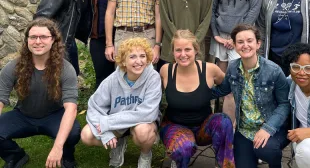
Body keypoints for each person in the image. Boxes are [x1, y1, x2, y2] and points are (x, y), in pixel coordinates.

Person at [0, 18, 80, 168]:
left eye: (43, 37)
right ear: (27, 40)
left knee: (73, 132)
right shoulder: (13, 67)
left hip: (54, 115)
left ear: (53, 40)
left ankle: (66, 157)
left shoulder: (66, 68)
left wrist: (57, 147)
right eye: (33, 37)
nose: (38, 41)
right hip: (23, 115)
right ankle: (15, 156)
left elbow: (71, 108)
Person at [212, 24, 290, 168]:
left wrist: (268, 128)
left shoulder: (273, 71)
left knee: (266, 149)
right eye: (240, 42)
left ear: (258, 43)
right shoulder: (233, 68)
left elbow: (285, 104)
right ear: (234, 45)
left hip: (271, 128)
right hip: (244, 130)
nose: (245, 45)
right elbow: (222, 90)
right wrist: (195, 88)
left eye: (249, 41)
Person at [81, 37, 162, 168]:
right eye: (132, 57)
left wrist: (107, 123)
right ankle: (118, 143)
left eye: (142, 56)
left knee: (143, 132)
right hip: (118, 123)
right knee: (86, 135)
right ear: (123, 61)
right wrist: (105, 133)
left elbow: (147, 114)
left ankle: (146, 154)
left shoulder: (153, 78)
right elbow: (94, 107)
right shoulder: (111, 81)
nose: (139, 61)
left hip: (141, 123)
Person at [159, 30, 234, 168]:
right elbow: (154, 95)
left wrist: (207, 94)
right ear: (173, 52)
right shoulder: (166, 71)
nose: (183, 54)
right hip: (174, 126)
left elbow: (227, 86)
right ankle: (179, 158)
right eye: (178, 50)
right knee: (184, 147)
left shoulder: (210, 70)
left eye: (187, 49)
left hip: (203, 128)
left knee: (224, 122)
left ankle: (224, 165)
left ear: (196, 50)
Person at [211, 0, 263, 121]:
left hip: (239, 39)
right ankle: (224, 125)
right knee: (222, 83)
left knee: (237, 84)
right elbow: (212, 7)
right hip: (221, 38)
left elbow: (254, 8)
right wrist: (216, 35)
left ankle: (237, 127)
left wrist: (238, 37)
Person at [35, 0, 97, 75]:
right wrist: (48, 42)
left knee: (72, 75)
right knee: (55, 78)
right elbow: (40, 19)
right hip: (56, 42)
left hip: (69, 40)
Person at [90, 0, 126, 88]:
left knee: (120, 74)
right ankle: (100, 107)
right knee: (102, 76)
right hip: (99, 36)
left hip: (120, 34)